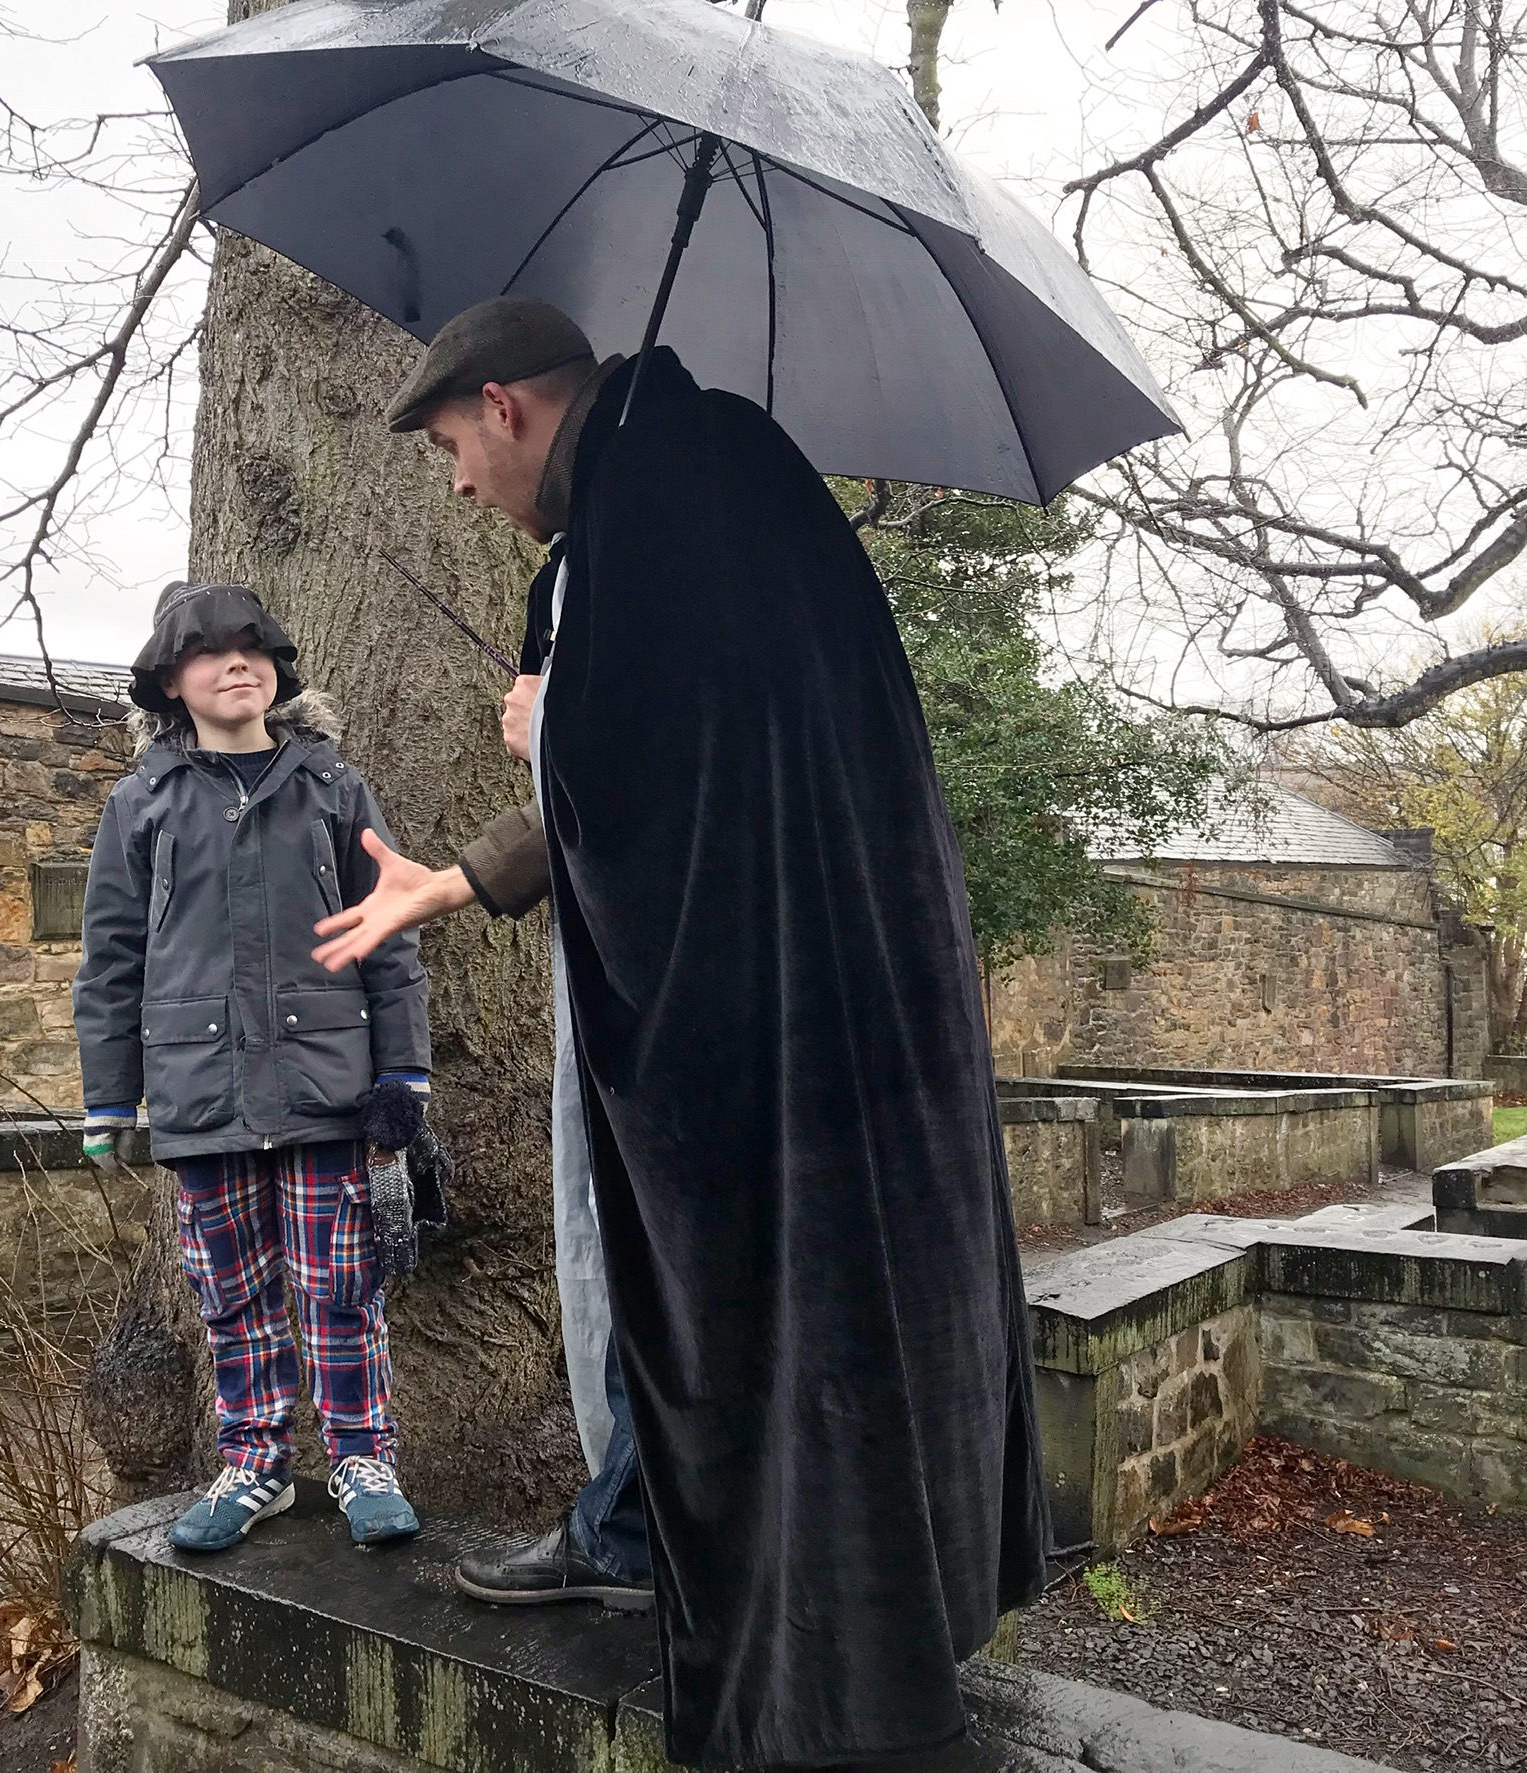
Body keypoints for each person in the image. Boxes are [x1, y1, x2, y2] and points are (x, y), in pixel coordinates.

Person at [314, 298, 1048, 1770]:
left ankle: (791, 1639)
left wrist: (552, 723)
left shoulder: (667, 497)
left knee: (746, 1289)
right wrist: (463, 872)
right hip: (824, 995)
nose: (458, 484)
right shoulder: (690, 481)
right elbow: (715, 760)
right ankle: (640, 1524)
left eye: (455, 446)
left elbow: (660, 779)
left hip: (769, 1036)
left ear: (507, 405)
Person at [75, 580, 431, 1554]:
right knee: (231, 1296)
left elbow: (391, 934)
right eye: (208, 650)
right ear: (169, 681)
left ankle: (362, 1457)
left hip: (327, 1089)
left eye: (253, 646)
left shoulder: (333, 788)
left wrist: (404, 1074)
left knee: (340, 1286)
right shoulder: (140, 804)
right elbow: (110, 960)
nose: (236, 663)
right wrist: (108, 1094)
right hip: (201, 1096)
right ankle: (255, 1462)